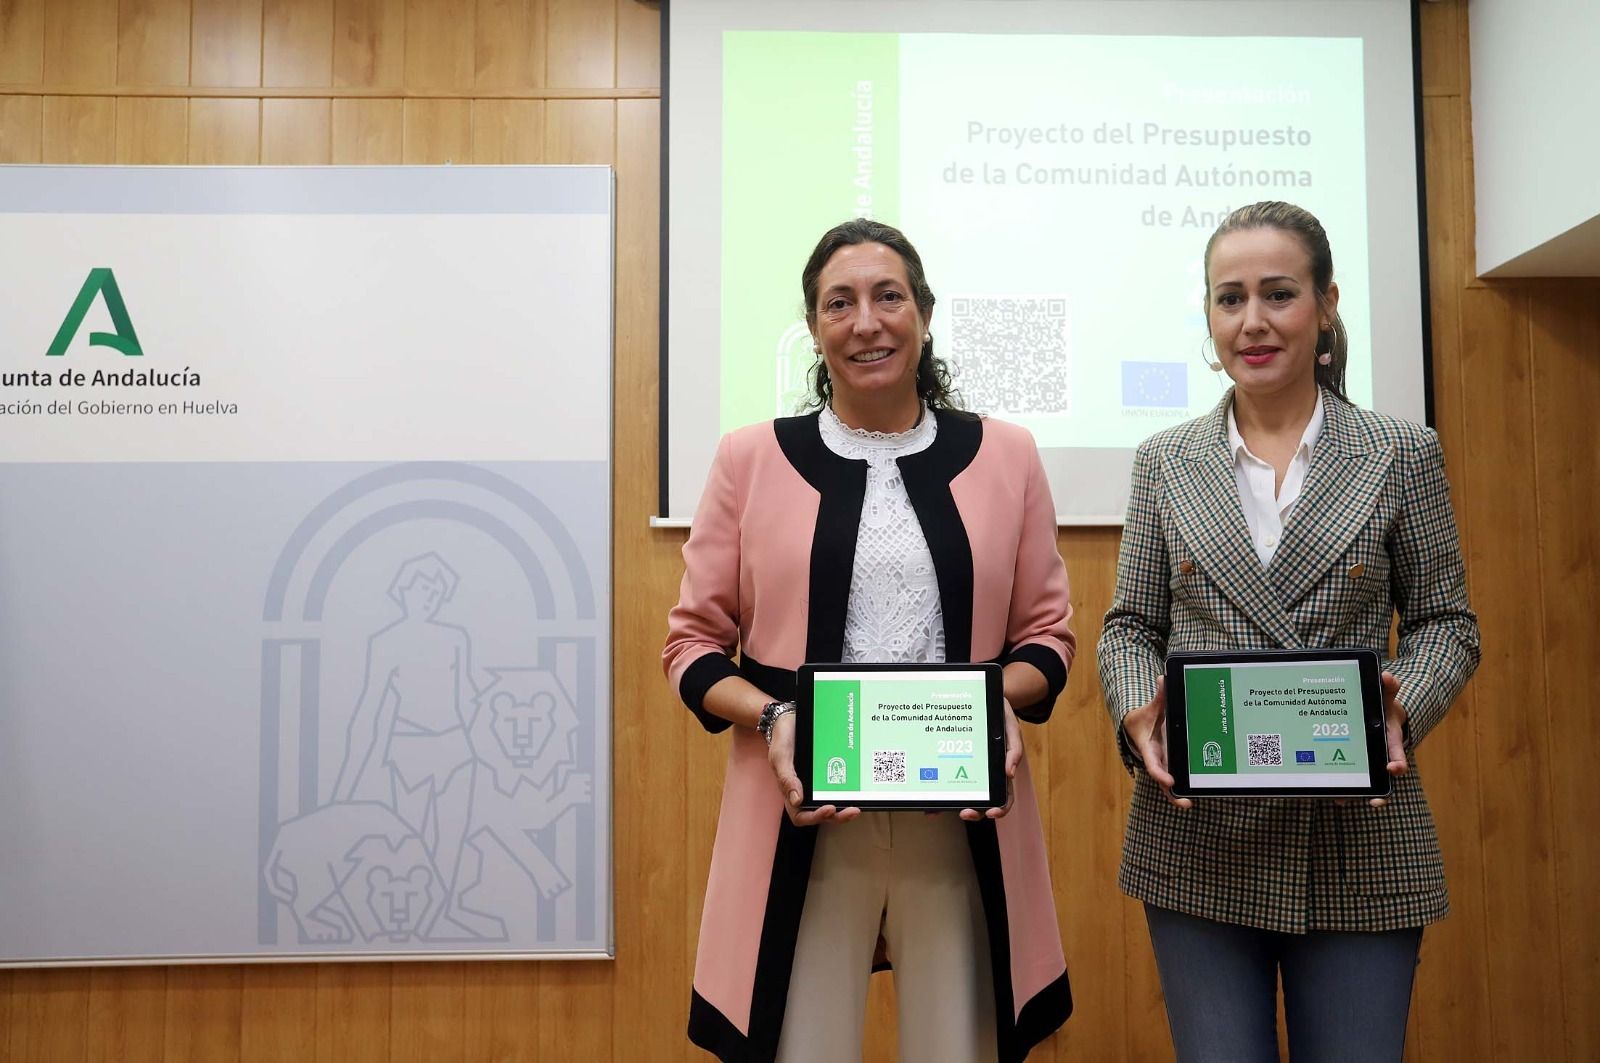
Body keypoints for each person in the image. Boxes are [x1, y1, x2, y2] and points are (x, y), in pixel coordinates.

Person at [664, 219, 1076, 1062]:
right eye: (838, 303)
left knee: (958, 1046)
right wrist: (776, 714)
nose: (866, 322)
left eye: (889, 296)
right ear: (814, 328)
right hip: (801, 814)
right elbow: (693, 647)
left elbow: (1047, 637)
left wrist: (987, 703)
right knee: (801, 1044)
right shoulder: (750, 458)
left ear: (923, 312)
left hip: (959, 815)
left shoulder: (1008, 455)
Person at [1098, 201, 1481, 1063]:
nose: (1254, 321)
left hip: (1359, 837)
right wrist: (1137, 710)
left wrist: (1397, 710)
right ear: (1208, 315)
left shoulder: (1399, 451)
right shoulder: (1164, 459)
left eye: (1279, 293)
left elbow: (1446, 624)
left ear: (1327, 303)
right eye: (1229, 298)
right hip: (1197, 838)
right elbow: (1129, 626)